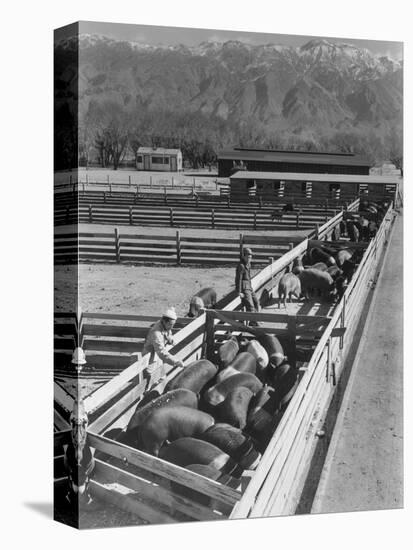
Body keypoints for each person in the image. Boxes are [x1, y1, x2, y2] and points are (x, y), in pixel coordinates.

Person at [142, 307, 184, 386]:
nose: (171, 327)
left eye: (173, 325)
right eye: (170, 324)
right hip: (150, 359)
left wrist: (171, 340)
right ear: (164, 321)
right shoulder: (156, 332)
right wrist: (175, 361)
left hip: (158, 358)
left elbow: (168, 333)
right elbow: (161, 351)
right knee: (150, 380)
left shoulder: (164, 325)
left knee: (162, 379)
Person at [235, 247, 260, 314]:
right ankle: (253, 322)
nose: (249, 259)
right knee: (250, 306)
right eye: (248, 257)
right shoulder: (241, 266)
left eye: (250, 257)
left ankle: (256, 318)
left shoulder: (248, 264)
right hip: (244, 288)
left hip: (249, 287)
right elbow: (238, 279)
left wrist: (251, 287)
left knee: (256, 302)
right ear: (244, 256)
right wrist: (239, 292)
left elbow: (248, 277)